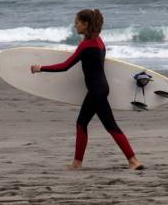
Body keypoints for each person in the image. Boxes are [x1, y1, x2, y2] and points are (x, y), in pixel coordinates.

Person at [30, 9, 144, 170]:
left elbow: (65, 66)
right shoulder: (99, 42)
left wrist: (41, 68)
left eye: (77, 22)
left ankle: (133, 160)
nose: (75, 25)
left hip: (96, 91)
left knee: (109, 126)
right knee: (82, 123)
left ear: (86, 24)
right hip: (100, 89)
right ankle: (78, 163)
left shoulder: (86, 45)